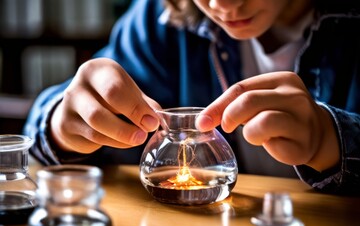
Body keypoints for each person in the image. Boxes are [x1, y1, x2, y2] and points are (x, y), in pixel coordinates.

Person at [24, 0, 360, 195]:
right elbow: (49, 125)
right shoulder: (164, 17)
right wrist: (62, 124)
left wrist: (334, 142)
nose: (221, 5)